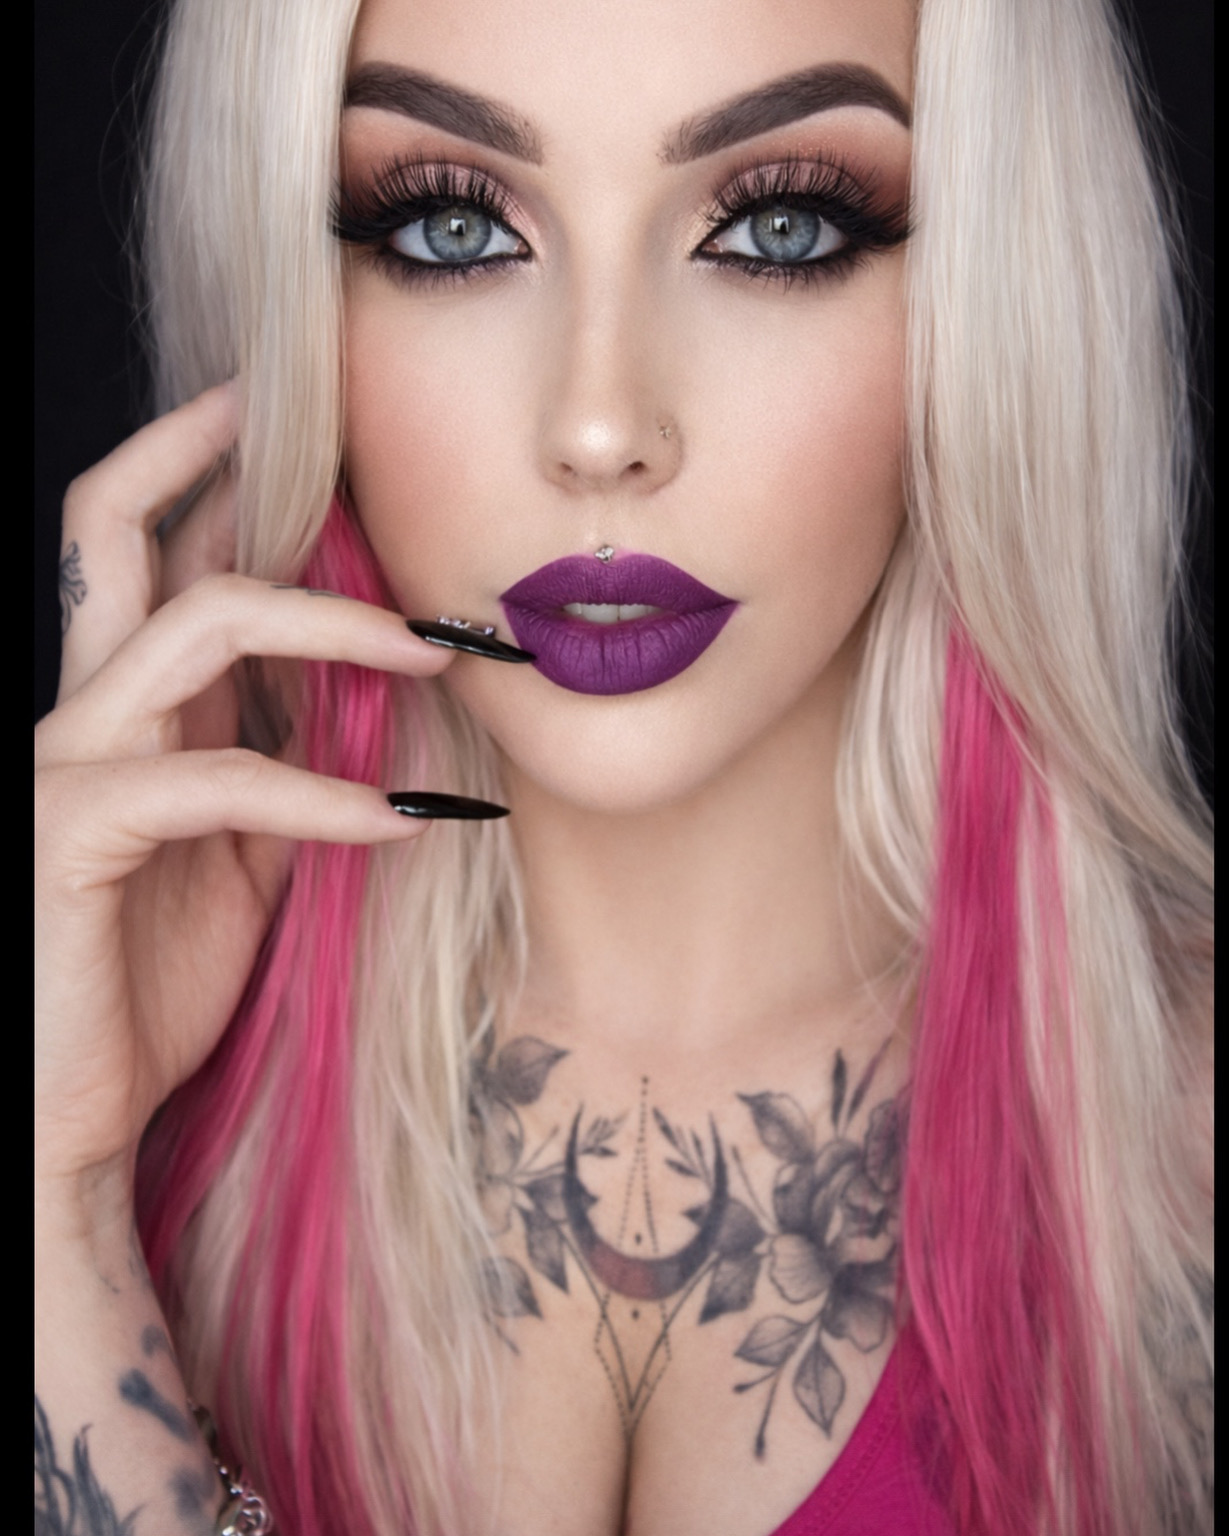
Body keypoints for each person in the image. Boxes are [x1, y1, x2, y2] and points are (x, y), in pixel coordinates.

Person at [34, 0, 1213, 1532]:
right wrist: (59, 1190)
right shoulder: (100, 1068)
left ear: (996, 292)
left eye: (779, 227)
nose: (599, 428)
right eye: (451, 228)